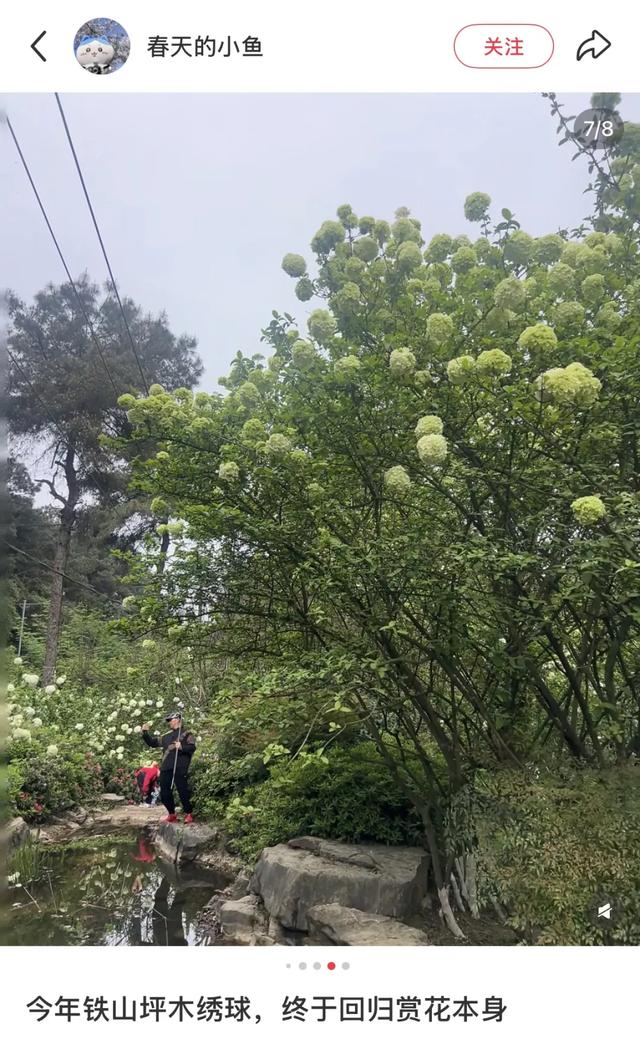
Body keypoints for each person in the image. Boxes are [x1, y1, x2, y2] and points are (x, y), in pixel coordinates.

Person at [141, 712, 196, 824]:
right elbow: (152, 743)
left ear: (177, 719)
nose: (169, 722)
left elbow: (192, 747)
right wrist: (145, 733)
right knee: (164, 793)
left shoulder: (187, 734)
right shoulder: (166, 736)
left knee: (182, 790)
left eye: (170, 719)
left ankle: (189, 813)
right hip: (166, 767)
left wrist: (181, 746)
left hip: (180, 766)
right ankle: (172, 814)